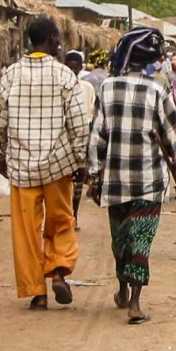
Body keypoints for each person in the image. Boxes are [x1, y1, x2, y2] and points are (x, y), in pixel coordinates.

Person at [88, 28, 176, 324]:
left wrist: (94, 176)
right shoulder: (157, 90)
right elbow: (175, 137)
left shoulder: (107, 88)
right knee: (140, 240)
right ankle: (133, 302)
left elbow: (96, 138)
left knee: (120, 240)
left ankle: (122, 289)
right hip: (148, 180)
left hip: (116, 180)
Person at [0, 18, 88, 310]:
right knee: (61, 221)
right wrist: (80, 157)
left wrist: (0, 154)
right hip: (58, 165)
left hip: (21, 166)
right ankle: (58, 270)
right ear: (52, 39)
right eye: (58, 37)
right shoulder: (64, 76)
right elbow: (79, 123)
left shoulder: (10, 75)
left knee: (26, 231)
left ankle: (37, 291)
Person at [65, 50, 97, 230]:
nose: (73, 69)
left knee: (79, 179)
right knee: (62, 181)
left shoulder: (87, 88)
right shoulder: (59, 86)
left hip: (83, 138)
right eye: (70, 66)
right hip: (63, 139)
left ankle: (74, 215)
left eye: (76, 66)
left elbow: (91, 115)